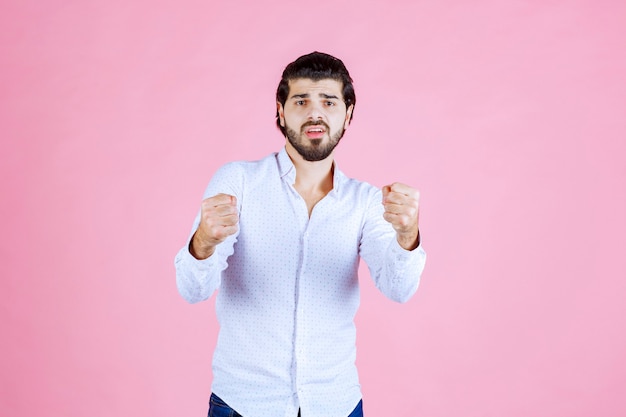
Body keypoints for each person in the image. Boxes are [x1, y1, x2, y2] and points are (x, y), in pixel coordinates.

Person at [175, 51, 427, 417]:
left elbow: (399, 289)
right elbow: (192, 290)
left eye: (329, 101)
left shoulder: (366, 202)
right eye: (301, 100)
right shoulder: (238, 182)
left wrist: (407, 236)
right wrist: (203, 242)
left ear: (348, 113)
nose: (315, 113)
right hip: (244, 404)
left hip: (335, 404)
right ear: (280, 110)